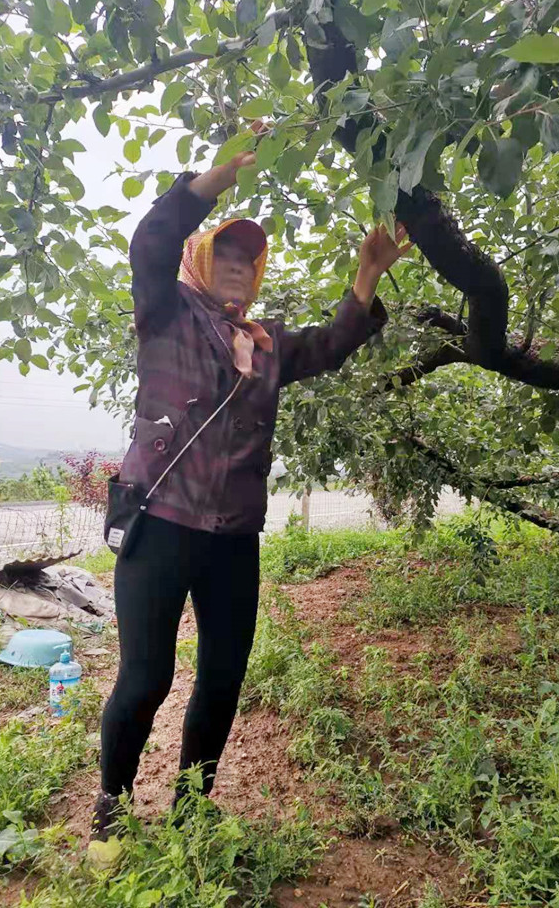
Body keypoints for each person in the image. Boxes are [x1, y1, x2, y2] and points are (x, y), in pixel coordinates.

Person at [92, 120, 412, 840]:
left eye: (249, 256)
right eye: (226, 251)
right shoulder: (166, 314)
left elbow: (332, 345)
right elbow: (149, 244)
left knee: (223, 678)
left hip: (234, 536)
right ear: (201, 256)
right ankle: (111, 807)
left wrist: (367, 273)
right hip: (162, 522)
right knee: (146, 679)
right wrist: (213, 183)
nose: (239, 262)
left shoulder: (266, 347)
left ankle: (192, 809)